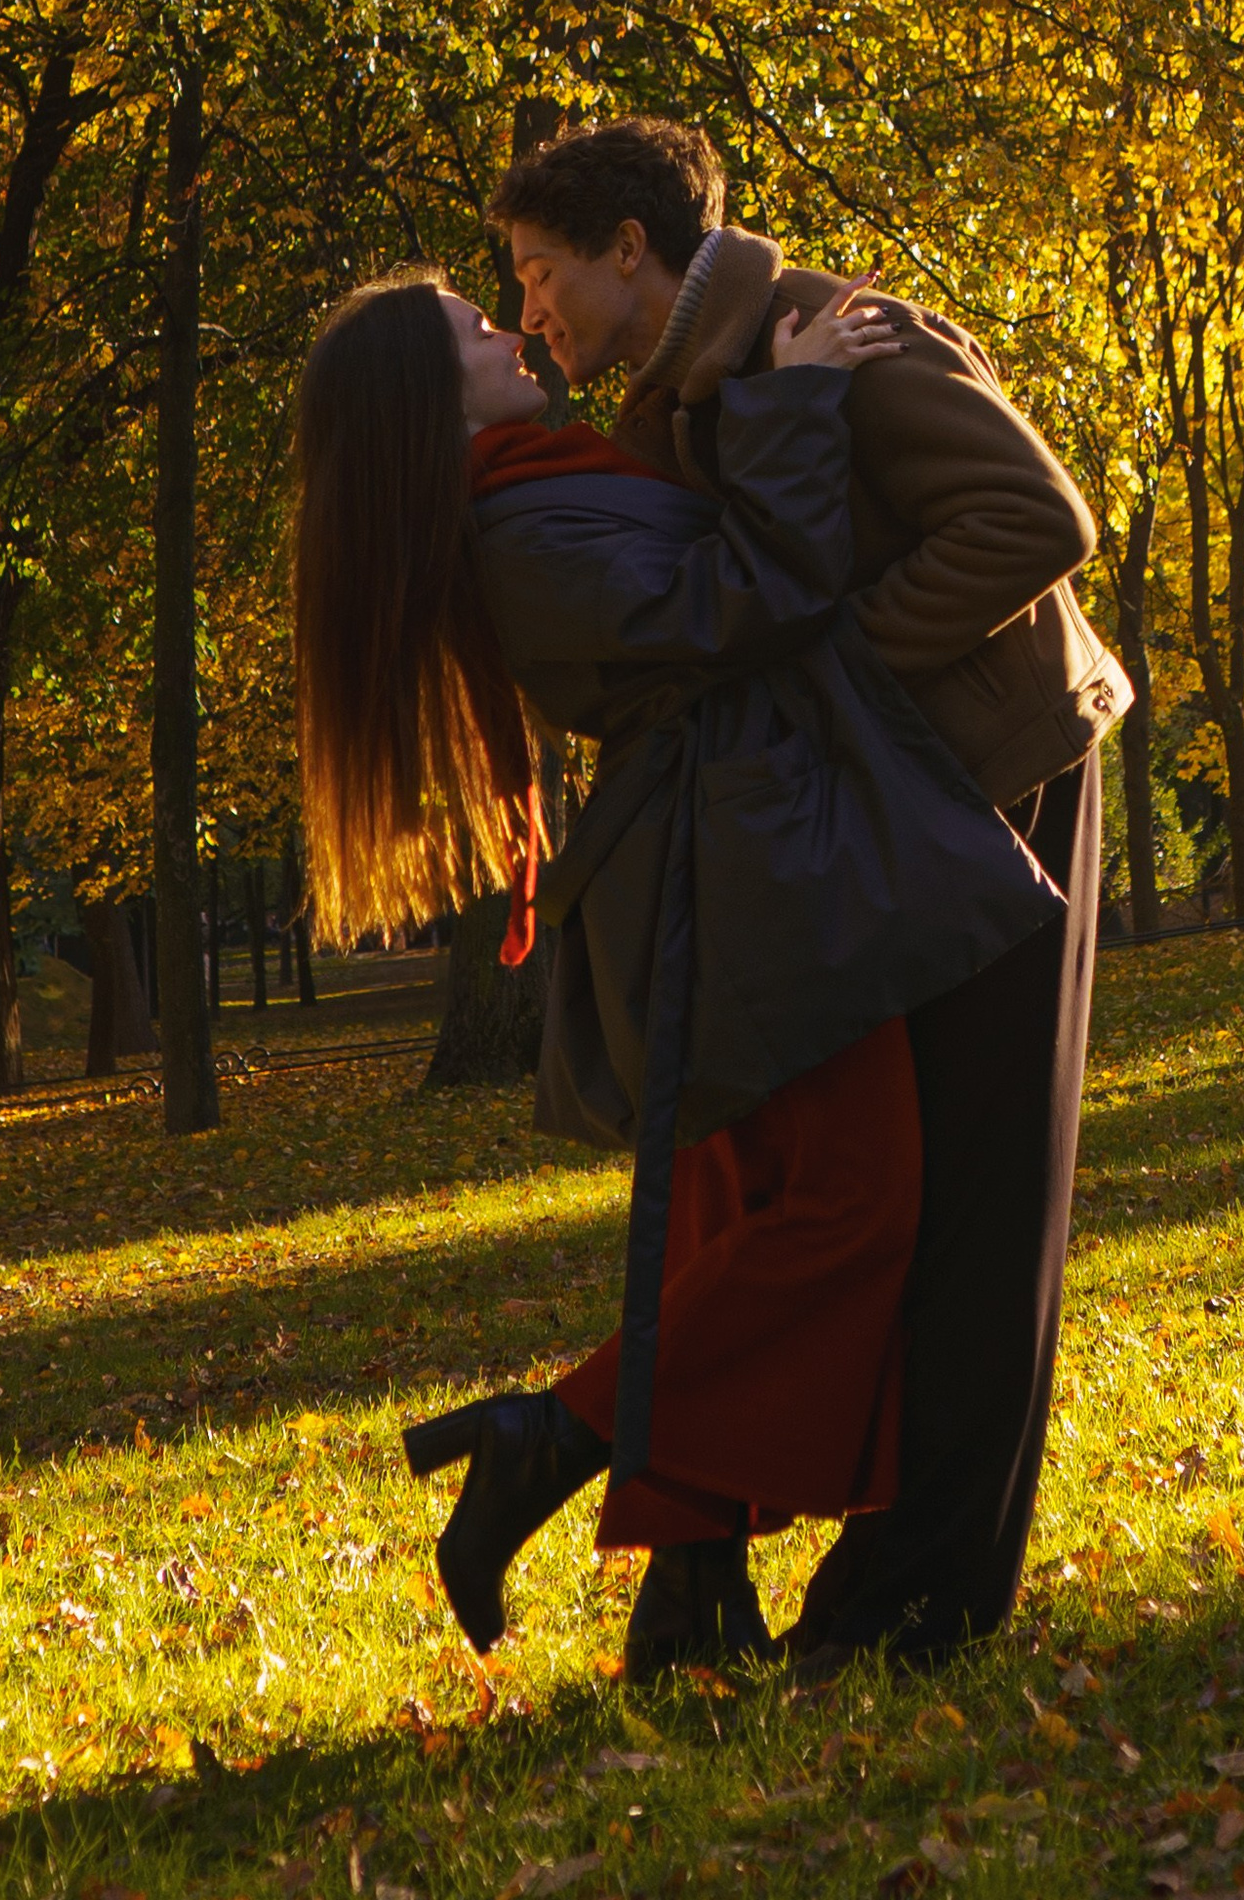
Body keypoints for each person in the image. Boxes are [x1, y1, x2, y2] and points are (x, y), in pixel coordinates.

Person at [292, 265, 1057, 1674]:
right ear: (424, 401)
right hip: (732, 898)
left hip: (745, 871)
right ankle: (551, 1437)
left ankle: (690, 1596)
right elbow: (739, 596)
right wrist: (805, 393)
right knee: (845, 1202)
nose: (511, 329)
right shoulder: (514, 524)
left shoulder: (537, 477)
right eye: (476, 326)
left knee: (737, 1220)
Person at [490, 115, 1126, 1667]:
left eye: (540, 271)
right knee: (900, 1205)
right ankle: (851, 1576)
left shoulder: (837, 334)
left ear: (628, 249)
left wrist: (837, 678)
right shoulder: (684, 396)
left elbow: (1039, 524)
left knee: (983, 1202)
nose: (530, 313)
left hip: (1002, 780)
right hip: (893, 804)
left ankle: (925, 1600)